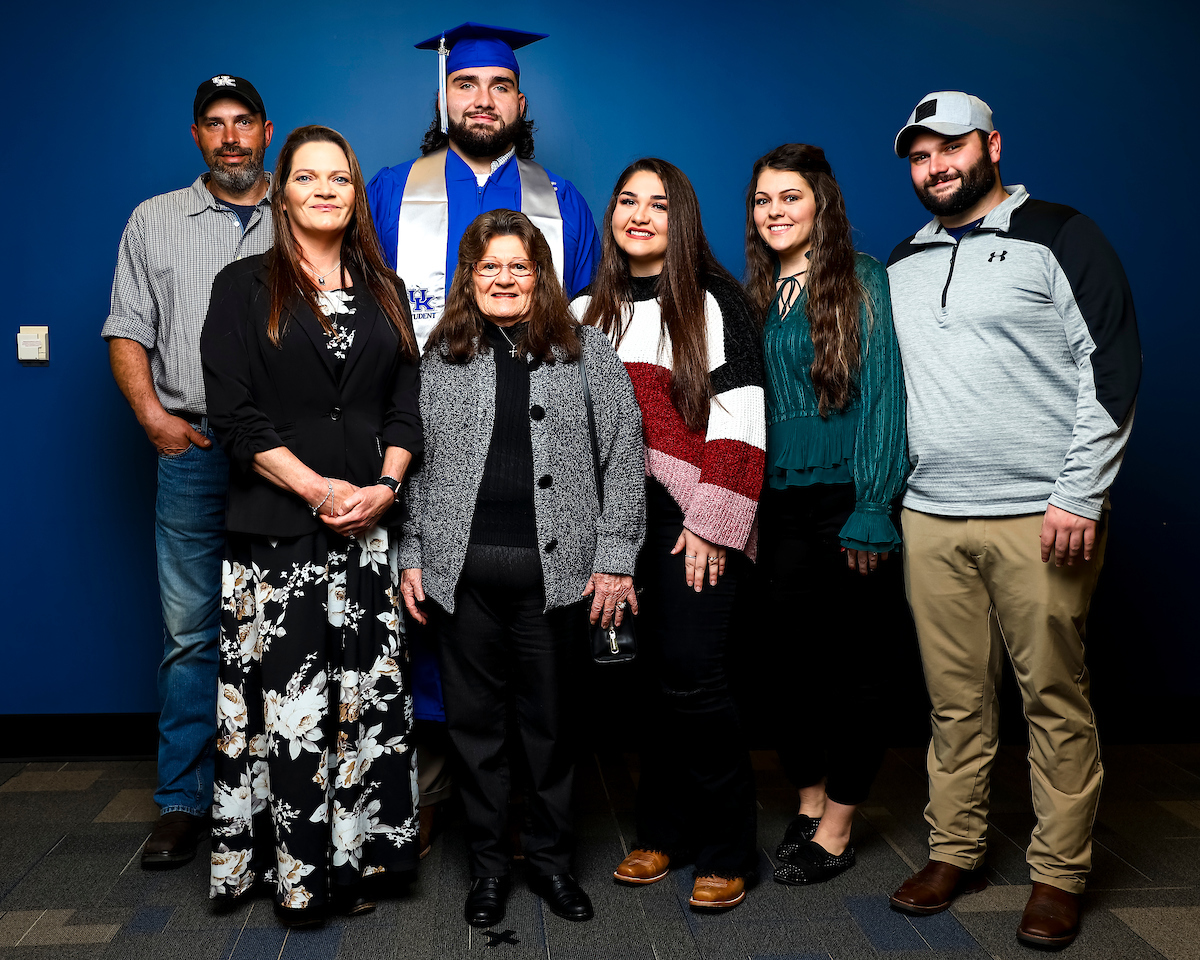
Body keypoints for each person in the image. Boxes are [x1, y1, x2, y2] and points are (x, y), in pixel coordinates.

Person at [885, 92, 1141, 948]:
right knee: (954, 703)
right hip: (932, 518)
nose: (935, 168)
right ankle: (954, 850)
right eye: (919, 157)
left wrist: (1078, 493)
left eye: (950, 149)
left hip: (1042, 517)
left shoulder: (1062, 235)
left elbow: (1113, 367)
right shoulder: (904, 260)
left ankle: (1058, 873)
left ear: (991, 145)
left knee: (1053, 698)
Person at [368, 21, 602, 853]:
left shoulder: (561, 201)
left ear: (520, 101)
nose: (482, 100)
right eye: (466, 85)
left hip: (524, 463)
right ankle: (437, 798)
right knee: (431, 625)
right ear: (445, 96)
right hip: (419, 440)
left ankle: (531, 818)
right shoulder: (394, 190)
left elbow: (577, 343)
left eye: (498, 86)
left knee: (531, 657)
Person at [200, 125, 422, 924]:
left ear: (354, 195)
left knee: (358, 707)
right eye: (308, 177)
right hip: (278, 539)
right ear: (282, 191)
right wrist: (320, 490)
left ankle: (355, 865)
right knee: (290, 714)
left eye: (341, 178)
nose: (326, 189)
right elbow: (235, 415)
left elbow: (406, 405)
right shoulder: (241, 287)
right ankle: (294, 875)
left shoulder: (385, 291)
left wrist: (386, 488)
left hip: (365, 538)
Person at [398, 209, 644, 927]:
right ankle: (487, 871)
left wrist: (615, 559)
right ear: (468, 279)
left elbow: (624, 456)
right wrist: (411, 555)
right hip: (462, 581)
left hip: (558, 582)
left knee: (550, 730)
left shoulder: (586, 350)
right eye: (488, 267)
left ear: (540, 277)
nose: (504, 278)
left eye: (519, 266)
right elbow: (412, 471)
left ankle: (552, 864)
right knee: (475, 734)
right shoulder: (439, 357)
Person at [576, 158, 766, 911]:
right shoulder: (588, 305)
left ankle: (727, 848)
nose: (641, 214)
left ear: (680, 217)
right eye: (628, 201)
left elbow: (742, 421)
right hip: (617, 521)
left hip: (695, 518)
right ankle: (664, 831)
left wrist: (715, 525)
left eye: (659, 203)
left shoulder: (716, 300)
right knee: (648, 682)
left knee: (695, 676)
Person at [102, 75, 274, 869]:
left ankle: (280, 793)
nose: (231, 137)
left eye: (244, 123)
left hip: (287, 457)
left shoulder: (308, 205)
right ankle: (182, 801)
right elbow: (128, 328)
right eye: (215, 124)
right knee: (190, 634)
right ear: (197, 136)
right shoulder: (154, 221)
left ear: (266, 131)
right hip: (197, 451)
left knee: (283, 629)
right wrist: (153, 420)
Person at [744, 144, 908, 885]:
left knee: (859, 671)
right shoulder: (754, 293)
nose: (775, 212)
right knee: (785, 668)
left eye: (789, 198)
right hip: (775, 503)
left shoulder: (860, 278)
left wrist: (874, 503)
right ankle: (810, 802)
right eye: (762, 201)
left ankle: (839, 825)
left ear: (820, 205)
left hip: (847, 499)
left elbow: (882, 395)